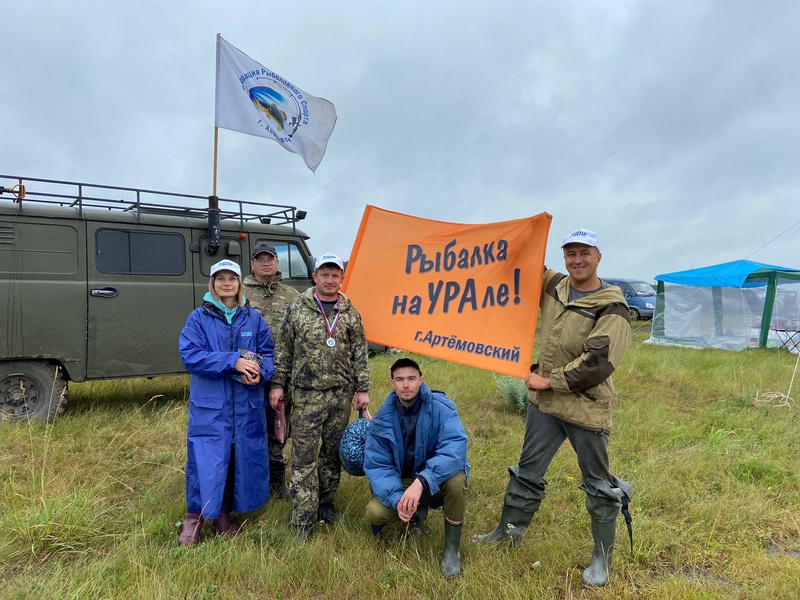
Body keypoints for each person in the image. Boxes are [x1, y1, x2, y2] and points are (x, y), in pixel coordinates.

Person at [472, 228, 632, 588]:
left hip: (584, 407)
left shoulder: (612, 305)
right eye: (571, 253)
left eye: (585, 253)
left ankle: (601, 560)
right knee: (527, 471)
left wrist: (549, 380)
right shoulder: (555, 285)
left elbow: (600, 362)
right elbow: (521, 265)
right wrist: (513, 235)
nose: (577, 259)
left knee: (598, 484)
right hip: (545, 405)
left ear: (598, 257)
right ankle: (508, 532)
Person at [269, 253, 371, 539]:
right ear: (315, 277)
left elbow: (360, 353)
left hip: (340, 395)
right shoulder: (298, 308)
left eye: (335, 275)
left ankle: (326, 504)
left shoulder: (350, 311)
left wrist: (362, 389)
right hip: (305, 395)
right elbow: (284, 350)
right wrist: (278, 384)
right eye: (324, 274)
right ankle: (303, 518)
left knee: (331, 454)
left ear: (341, 278)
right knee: (303, 457)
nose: (329, 280)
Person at [177, 259, 274, 547]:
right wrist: (232, 360)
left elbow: (267, 353)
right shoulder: (198, 318)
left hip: (246, 405)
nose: (227, 283)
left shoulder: (252, 318)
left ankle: (223, 515)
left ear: (239, 283)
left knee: (237, 460)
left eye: (232, 278)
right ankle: (194, 518)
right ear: (213, 284)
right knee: (205, 460)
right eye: (220, 278)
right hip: (212, 406)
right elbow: (191, 355)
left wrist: (260, 374)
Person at [363, 358, 469, 579]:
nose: (406, 384)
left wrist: (422, 481)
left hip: (432, 480)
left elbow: (455, 450)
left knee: (457, 480)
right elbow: (377, 465)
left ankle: (451, 550)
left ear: (421, 380)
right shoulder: (382, 419)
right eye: (400, 379)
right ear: (392, 383)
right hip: (403, 482)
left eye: (411, 378)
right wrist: (397, 499)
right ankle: (415, 515)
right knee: (375, 513)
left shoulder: (442, 409)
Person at [242, 243, 300, 499]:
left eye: (270, 259)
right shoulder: (239, 293)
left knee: (279, 431)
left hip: (282, 376)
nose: (266, 263)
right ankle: (251, 482)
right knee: (250, 429)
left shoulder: (292, 296)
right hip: (247, 376)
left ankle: (277, 484)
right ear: (252, 264)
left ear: (278, 263)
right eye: (260, 259)